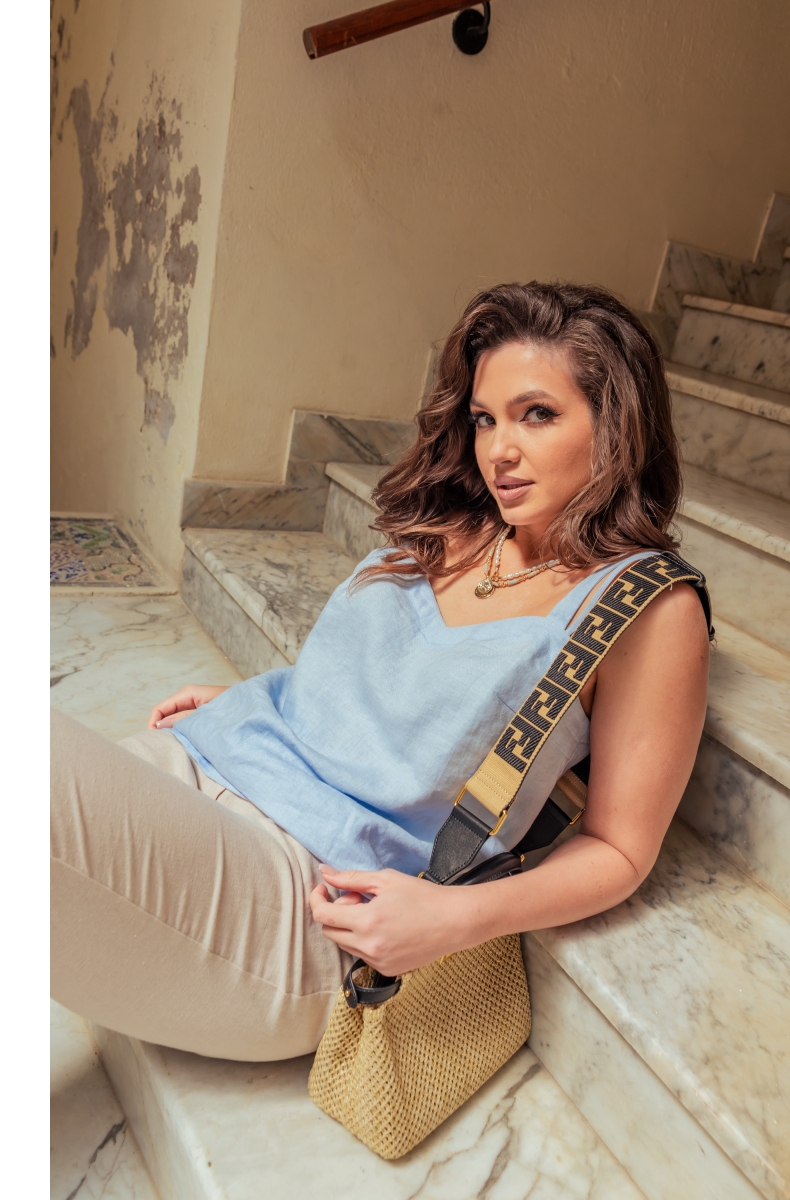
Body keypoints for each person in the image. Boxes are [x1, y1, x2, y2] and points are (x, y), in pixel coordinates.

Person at [51, 282, 710, 1063]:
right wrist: (275, 703)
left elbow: (619, 849)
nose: (499, 450)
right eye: (484, 418)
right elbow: (389, 683)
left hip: (307, 889)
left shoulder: (641, 607)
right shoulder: (461, 525)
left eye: (537, 414)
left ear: (616, 425)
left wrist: (452, 920)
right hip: (213, 758)